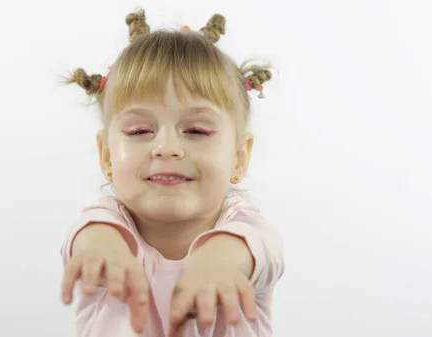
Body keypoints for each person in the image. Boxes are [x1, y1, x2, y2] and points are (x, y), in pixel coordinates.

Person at [60, 9, 284, 337]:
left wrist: (220, 260)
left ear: (239, 157)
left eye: (195, 130)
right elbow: (88, 238)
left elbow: (258, 251)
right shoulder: (102, 224)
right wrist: (100, 251)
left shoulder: (247, 231)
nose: (166, 148)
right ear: (106, 155)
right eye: (139, 131)